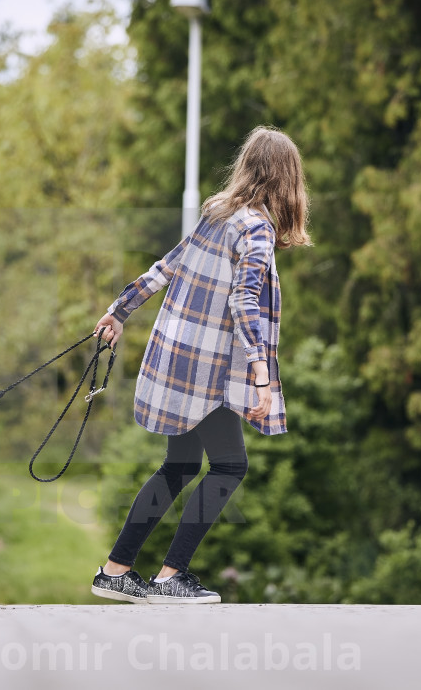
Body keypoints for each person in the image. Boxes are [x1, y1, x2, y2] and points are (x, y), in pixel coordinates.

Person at [90, 126, 312, 604]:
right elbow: (244, 301)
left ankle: (115, 570)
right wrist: (261, 376)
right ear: (286, 179)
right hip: (208, 370)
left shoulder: (217, 212)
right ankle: (171, 577)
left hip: (176, 358)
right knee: (230, 466)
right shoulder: (255, 228)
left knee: (181, 464)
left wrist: (120, 308)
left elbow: (168, 265)